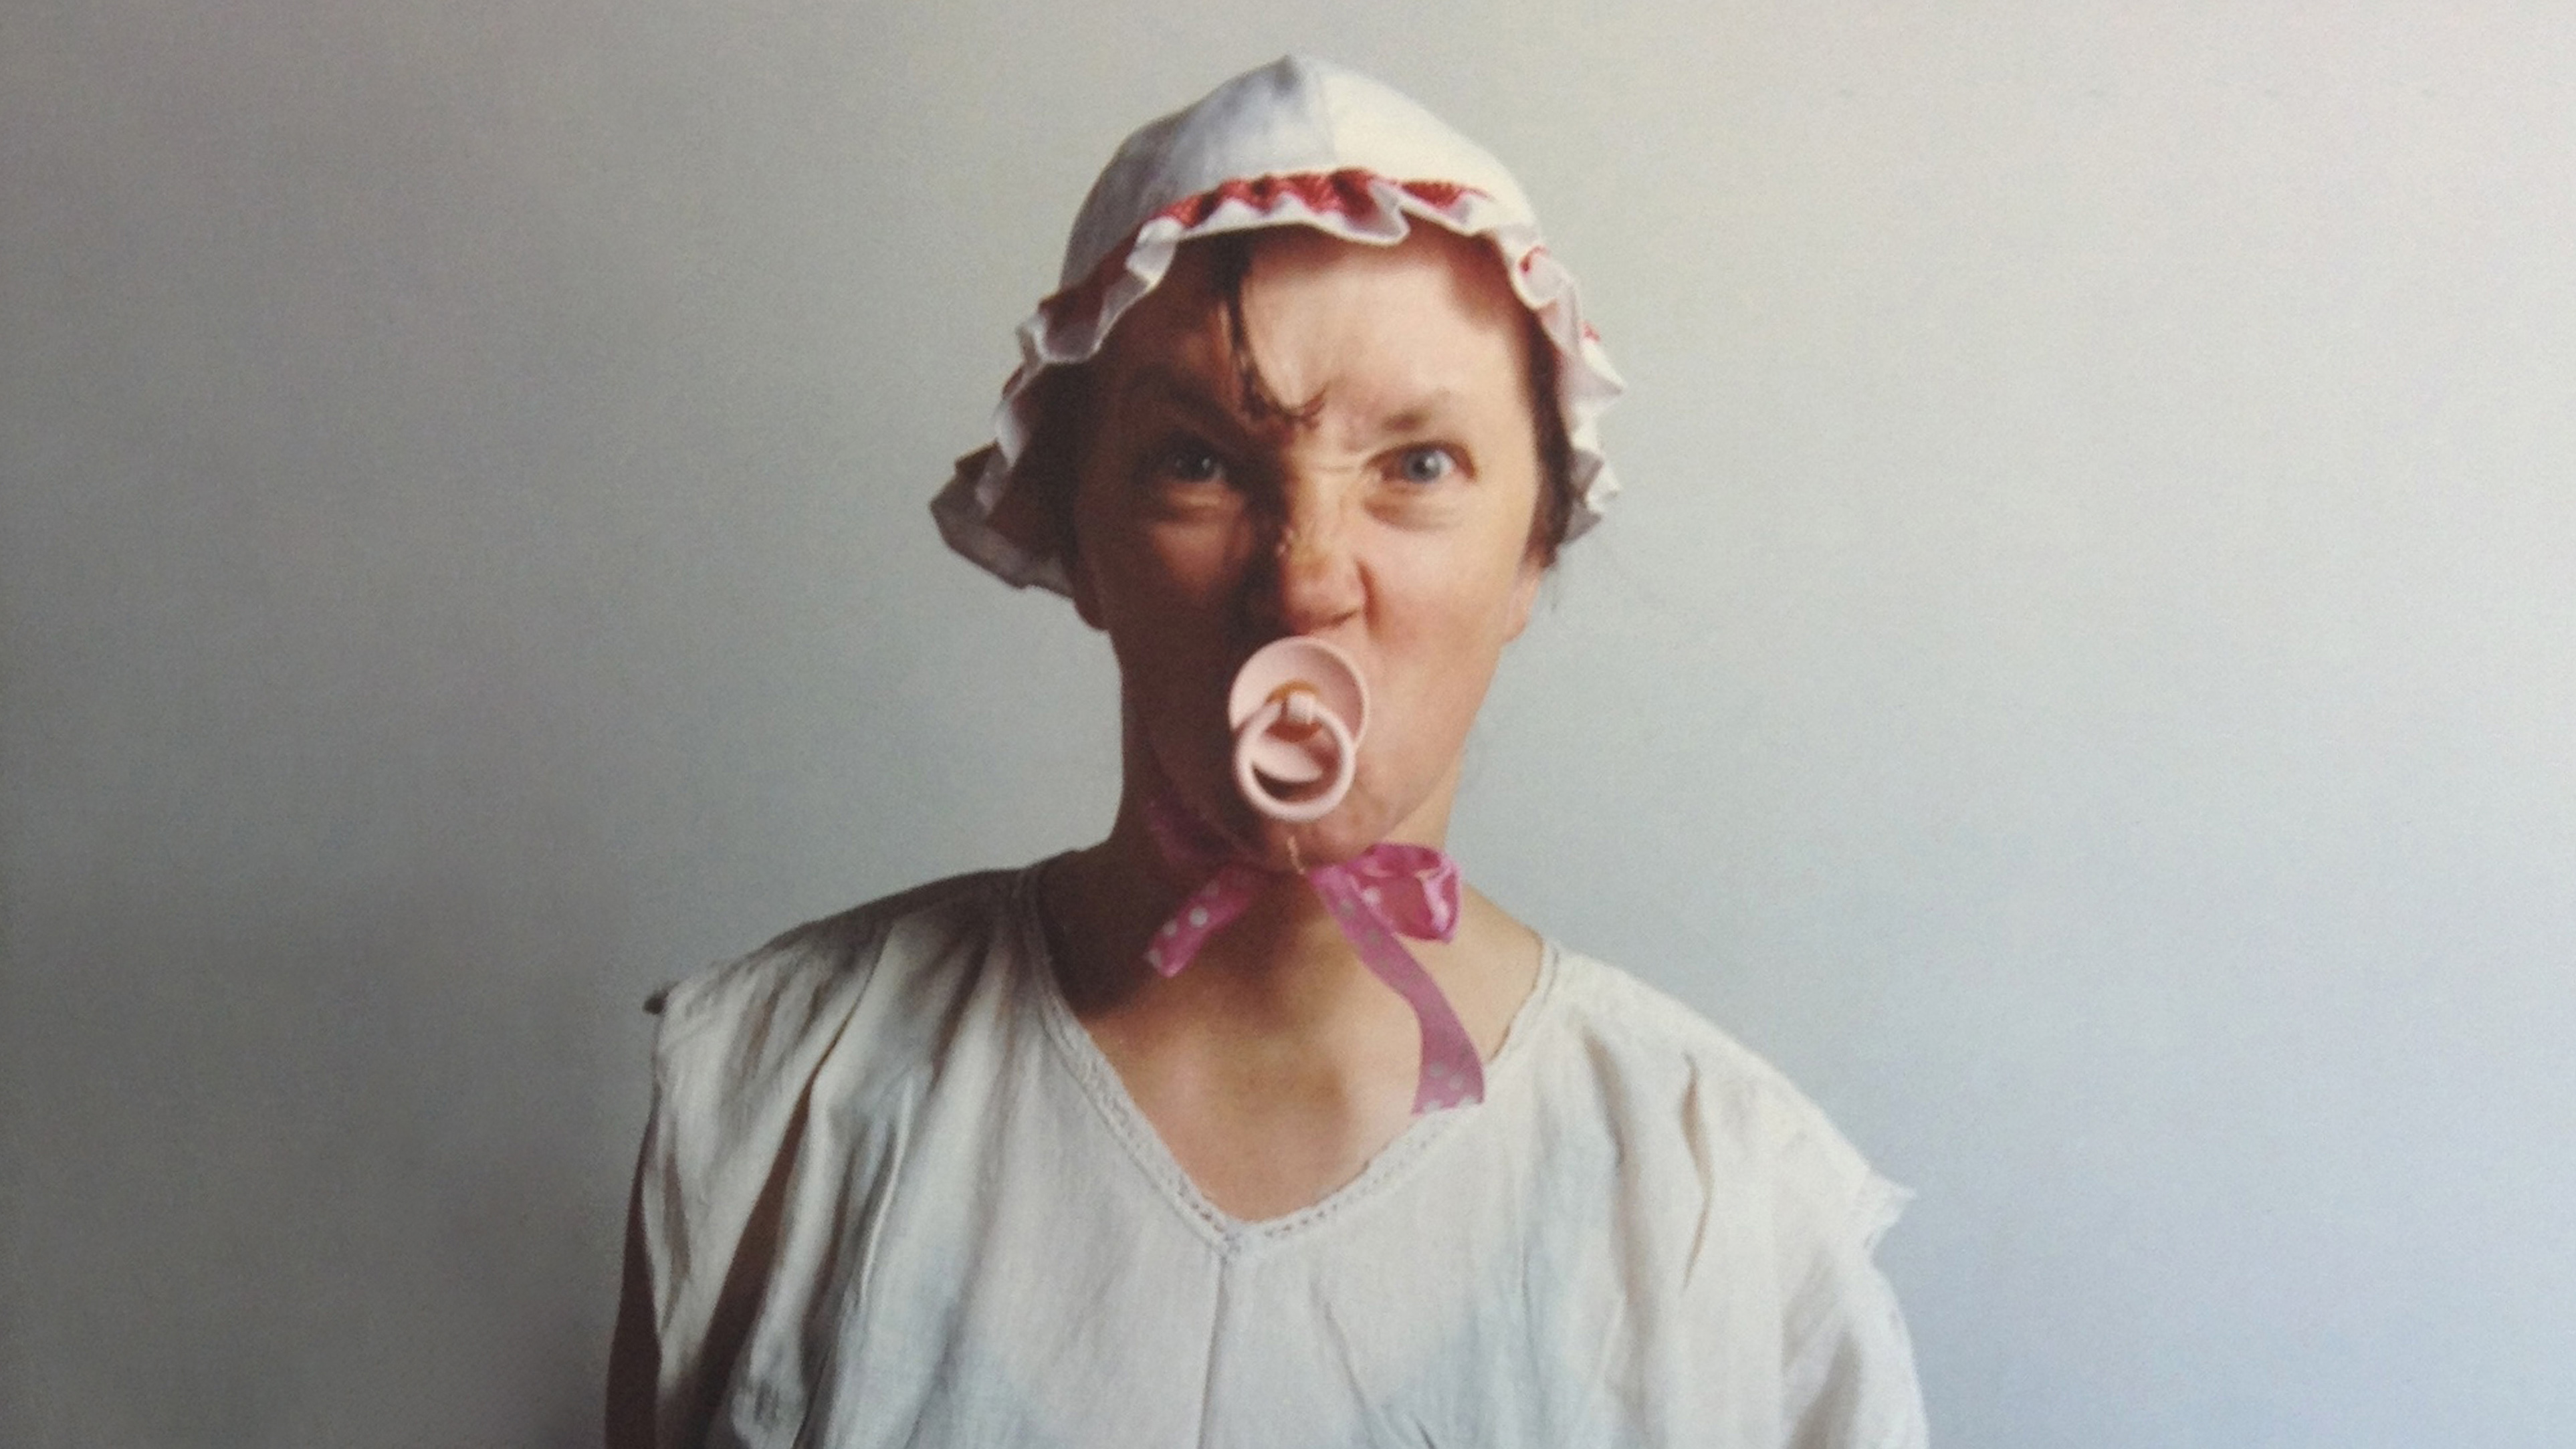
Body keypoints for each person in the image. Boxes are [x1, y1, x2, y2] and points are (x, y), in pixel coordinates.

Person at [607, 55, 1927, 1448]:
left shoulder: (1732, 1212)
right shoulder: (785, 1099)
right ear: (1077, 534)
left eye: (1417, 465)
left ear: (1536, 547)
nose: (1306, 581)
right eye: (1198, 463)